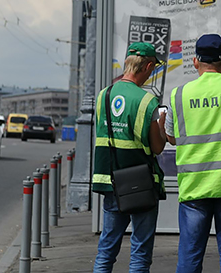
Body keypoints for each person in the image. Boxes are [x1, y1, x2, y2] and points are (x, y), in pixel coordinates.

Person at [161, 34, 221, 273]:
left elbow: (172, 138)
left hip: (194, 188)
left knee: (189, 257)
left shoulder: (178, 94)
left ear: (196, 61)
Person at [91, 42, 168, 273]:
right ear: (148, 66)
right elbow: (156, 147)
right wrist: (162, 128)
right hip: (140, 184)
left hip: (110, 181)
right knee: (140, 254)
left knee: (106, 250)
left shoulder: (103, 95)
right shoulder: (147, 101)